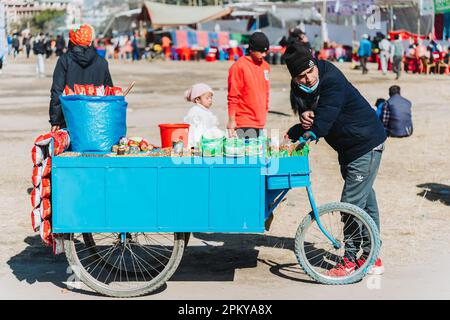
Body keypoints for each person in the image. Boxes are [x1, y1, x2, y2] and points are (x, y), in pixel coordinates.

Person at [284, 43, 386, 276]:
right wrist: (300, 124)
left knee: (350, 205)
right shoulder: (300, 88)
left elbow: (327, 112)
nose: (308, 78)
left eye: (310, 71)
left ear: (315, 63)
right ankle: (373, 258)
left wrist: (309, 133)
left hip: (365, 144)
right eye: (301, 76)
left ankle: (350, 260)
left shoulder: (331, 78)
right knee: (366, 204)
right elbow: (309, 113)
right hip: (348, 150)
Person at [49, 24, 113, 132]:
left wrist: (55, 120)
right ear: (90, 41)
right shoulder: (102, 62)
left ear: (72, 41)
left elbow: (57, 92)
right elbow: (109, 92)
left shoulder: (64, 60)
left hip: (69, 119)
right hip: (97, 120)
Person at [227, 32, 270, 139]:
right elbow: (233, 96)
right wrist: (232, 120)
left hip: (260, 121)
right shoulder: (239, 67)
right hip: (244, 122)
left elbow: (266, 92)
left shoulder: (266, 66)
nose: (264, 55)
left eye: (266, 51)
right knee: (247, 155)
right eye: (261, 52)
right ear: (251, 50)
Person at [183, 83, 221, 149]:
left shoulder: (206, 111)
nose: (210, 100)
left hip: (207, 143)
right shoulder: (195, 112)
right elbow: (195, 131)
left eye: (211, 98)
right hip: (198, 145)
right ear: (197, 100)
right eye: (207, 98)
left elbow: (211, 127)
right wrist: (195, 145)